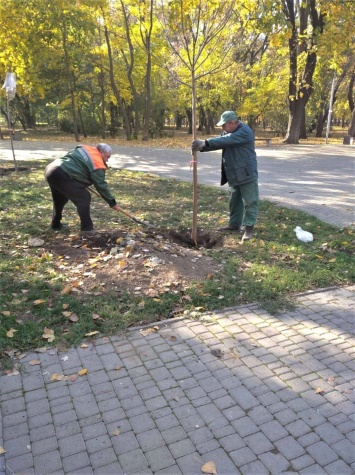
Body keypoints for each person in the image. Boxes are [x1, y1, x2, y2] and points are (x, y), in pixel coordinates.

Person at [192, 111, 259, 241]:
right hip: (233, 172)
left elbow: (227, 140)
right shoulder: (227, 132)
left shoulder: (244, 131)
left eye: (224, 125)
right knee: (235, 200)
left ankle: (249, 229)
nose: (222, 128)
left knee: (250, 201)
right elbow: (221, 142)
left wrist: (205, 142)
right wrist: (201, 147)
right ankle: (234, 225)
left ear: (232, 123)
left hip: (246, 172)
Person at [45, 143, 121, 233]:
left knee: (60, 199)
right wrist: (112, 202)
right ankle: (87, 229)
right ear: (101, 152)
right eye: (107, 157)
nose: (107, 160)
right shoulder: (97, 163)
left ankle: (55, 224)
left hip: (51, 169)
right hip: (62, 174)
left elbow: (76, 161)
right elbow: (101, 185)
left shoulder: (85, 148)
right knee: (84, 197)